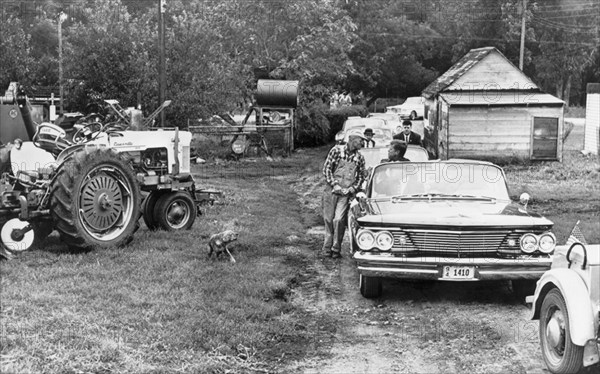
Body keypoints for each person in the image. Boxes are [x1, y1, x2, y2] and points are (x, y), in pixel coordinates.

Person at [322, 135, 366, 259]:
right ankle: (327, 248)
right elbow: (327, 169)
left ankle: (336, 248)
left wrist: (353, 188)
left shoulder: (359, 158)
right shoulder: (336, 151)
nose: (362, 143)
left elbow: (361, 176)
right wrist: (334, 184)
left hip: (346, 193)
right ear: (352, 140)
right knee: (329, 219)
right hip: (331, 190)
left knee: (339, 220)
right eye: (360, 140)